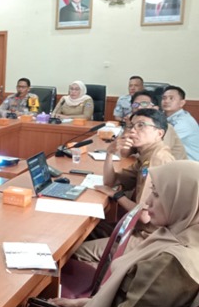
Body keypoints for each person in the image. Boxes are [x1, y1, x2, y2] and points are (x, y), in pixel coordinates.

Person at [0, 161, 199, 307]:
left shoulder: (170, 263)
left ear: (183, 201)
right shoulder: (176, 237)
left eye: (157, 194)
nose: (147, 202)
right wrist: (81, 304)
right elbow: (136, 306)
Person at [75, 109, 175, 262]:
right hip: (138, 228)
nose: (133, 131)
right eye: (132, 125)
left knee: (75, 251)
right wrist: (110, 153)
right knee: (88, 231)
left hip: (149, 238)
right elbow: (111, 182)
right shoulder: (147, 156)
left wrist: (116, 195)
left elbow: (144, 216)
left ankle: (112, 277)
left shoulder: (157, 160)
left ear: (159, 133)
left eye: (141, 125)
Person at [119, 90, 186, 160]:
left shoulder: (163, 127)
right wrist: (128, 126)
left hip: (171, 166)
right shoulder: (135, 126)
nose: (139, 107)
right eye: (135, 104)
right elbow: (124, 153)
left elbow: (158, 155)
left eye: (144, 104)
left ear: (155, 108)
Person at [161, 85, 199, 161]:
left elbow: (162, 143)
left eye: (171, 98)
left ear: (182, 103)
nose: (166, 101)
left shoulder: (184, 122)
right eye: (164, 98)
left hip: (191, 164)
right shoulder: (163, 115)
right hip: (176, 161)